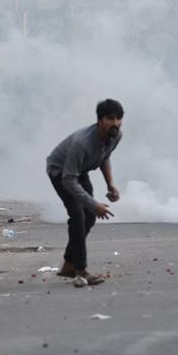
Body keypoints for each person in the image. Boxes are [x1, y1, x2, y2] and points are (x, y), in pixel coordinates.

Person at [46, 99, 124, 285]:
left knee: (89, 216)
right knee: (78, 216)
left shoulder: (116, 136)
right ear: (99, 120)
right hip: (61, 172)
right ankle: (81, 271)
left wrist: (110, 184)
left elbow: (105, 157)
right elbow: (68, 179)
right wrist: (94, 204)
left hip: (79, 171)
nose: (115, 123)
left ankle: (68, 265)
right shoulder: (82, 142)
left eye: (119, 118)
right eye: (110, 119)